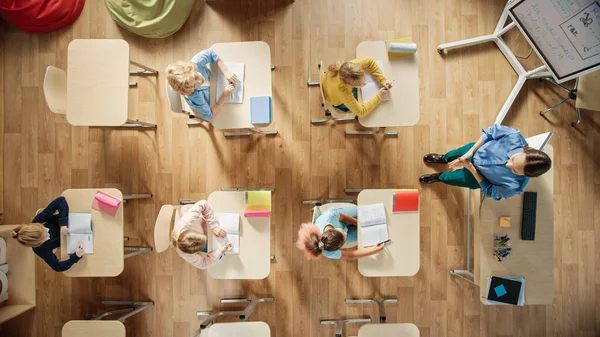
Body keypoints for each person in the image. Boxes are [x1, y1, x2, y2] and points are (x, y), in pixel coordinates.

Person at [419, 124, 552, 200]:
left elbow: (490, 191)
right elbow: (490, 133)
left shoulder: (515, 187)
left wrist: (472, 169)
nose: (508, 165)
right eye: (512, 159)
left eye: (514, 170)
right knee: (455, 154)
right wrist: (470, 152)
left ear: (525, 175)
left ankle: (439, 177)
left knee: (453, 178)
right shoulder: (514, 137)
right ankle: (443, 158)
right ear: (525, 149)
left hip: (476, 178)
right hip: (475, 151)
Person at [11, 196, 84, 272]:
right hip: (70, 242)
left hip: (71, 222)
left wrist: (63, 226)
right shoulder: (40, 250)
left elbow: (60, 200)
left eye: (43, 229)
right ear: (38, 243)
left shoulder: (38, 221)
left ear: (38, 225)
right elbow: (58, 267)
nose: (47, 232)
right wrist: (76, 256)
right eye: (44, 237)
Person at [167, 49, 237, 122]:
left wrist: (225, 71)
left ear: (192, 68)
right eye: (194, 85)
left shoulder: (196, 62)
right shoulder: (195, 96)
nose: (200, 81)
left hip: (211, 83)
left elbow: (211, 53)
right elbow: (209, 117)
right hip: (204, 104)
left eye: (195, 77)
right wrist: (224, 96)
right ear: (191, 89)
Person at [296, 205, 384, 260]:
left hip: (342, 218)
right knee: (367, 237)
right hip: (339, 227)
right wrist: (373, 251)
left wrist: (357, 222)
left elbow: (343, 218)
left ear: (332, 229)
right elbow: (350, 256)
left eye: (343, 233)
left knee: (365, 213)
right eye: (343, 242)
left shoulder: (330, 216)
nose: (345, 233)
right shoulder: (327, 251)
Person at [171, 200, 233, 269]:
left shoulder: (186, 222)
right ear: (193, 253)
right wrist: (221, 251)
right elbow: (203, 264)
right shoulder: (185, 254)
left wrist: (214, 226)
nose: (205, 238)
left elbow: (203, 204)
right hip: (208, 241)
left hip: (207, 225)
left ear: (191, 230)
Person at [323, 57, 393, 116]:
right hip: (334, 100)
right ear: (349, 85)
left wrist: (383, 80)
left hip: (326, 82)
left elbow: (370, 61)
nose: (365, 83)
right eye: (360, 84)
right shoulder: (345, 94)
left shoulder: (349, 68)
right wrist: (380, 95)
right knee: (360, 100)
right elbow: (361, 112)